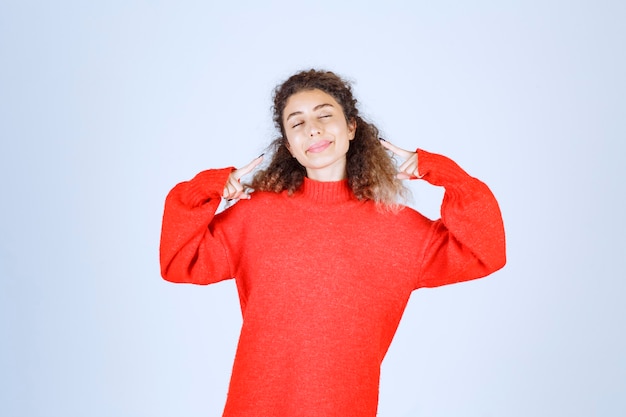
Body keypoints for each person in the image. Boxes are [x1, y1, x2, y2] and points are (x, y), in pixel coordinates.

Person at [159, 69, 506, 417]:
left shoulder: (397, 228)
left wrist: (447, 174)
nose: (313, 128)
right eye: (297, 124)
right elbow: (177, 260)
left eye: (325, 115)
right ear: (290, 147)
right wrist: (205, 188)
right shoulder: (255, 217)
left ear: (351, 127)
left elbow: (485, 252)